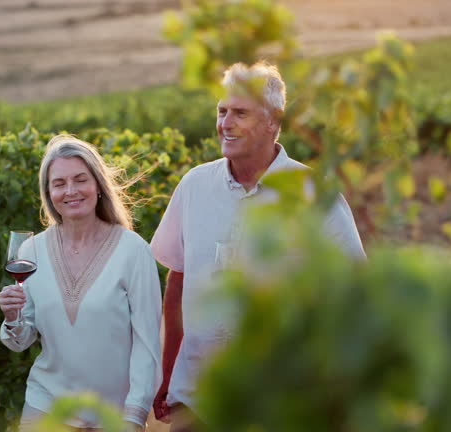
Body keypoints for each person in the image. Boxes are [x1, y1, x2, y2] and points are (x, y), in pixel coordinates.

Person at [150, 61, 367, 431]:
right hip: (198, 396)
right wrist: (167, 374)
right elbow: (178, 283)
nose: (225, 124)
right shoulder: (194, 186)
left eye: (240, 113)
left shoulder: (313, 194)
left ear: (272, 121)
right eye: (222, 112)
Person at [0, 134, 162, 431]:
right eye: (59, 183)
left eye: (80, 179)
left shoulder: (133, 250)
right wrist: (12, 317)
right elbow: (21, 340)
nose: (70, 191)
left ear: (97, 184)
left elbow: (146, 343)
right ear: (49, 193)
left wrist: (134, 417)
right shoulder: (31, 251)